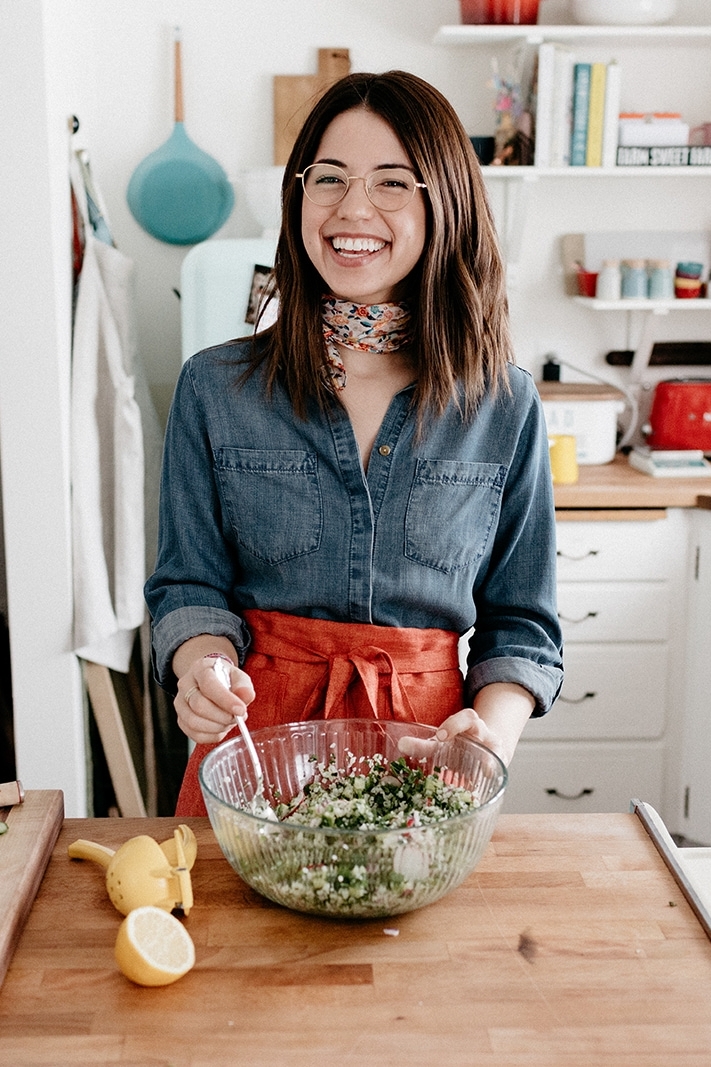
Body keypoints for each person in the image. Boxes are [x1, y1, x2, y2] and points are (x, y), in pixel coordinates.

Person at [145, 70, 563, 817]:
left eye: (392, 182)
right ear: (298, 197)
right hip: (252, 755)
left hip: (429, 762)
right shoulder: (214, 389)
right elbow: (188, 587)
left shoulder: (503, 403)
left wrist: (491, 738)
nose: (353, 208)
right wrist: (201, 668)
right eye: (328, 177)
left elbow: (521, 623)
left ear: (447, 205)